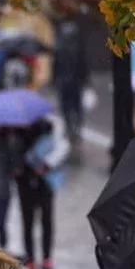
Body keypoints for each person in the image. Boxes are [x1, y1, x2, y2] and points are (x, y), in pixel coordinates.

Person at [12, 115, 66, 269]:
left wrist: (46, 166)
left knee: (46, 220)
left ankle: (46, 258)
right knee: (28, 221)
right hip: (25, 182)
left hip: (44, 182)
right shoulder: (16, 132)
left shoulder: (47, 128)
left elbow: (60, 148)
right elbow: (13, 155)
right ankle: (31, 259)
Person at [51, 17, 89, 161]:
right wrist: (85, 81)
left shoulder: (59, 48)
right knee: (76, 108)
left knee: (67, 108)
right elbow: (83, 67)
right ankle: (75, 131)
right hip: (75, 84)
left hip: (64, 84)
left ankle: (70, 130)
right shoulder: (78, 48)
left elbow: (55, 67)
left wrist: (54, 81)